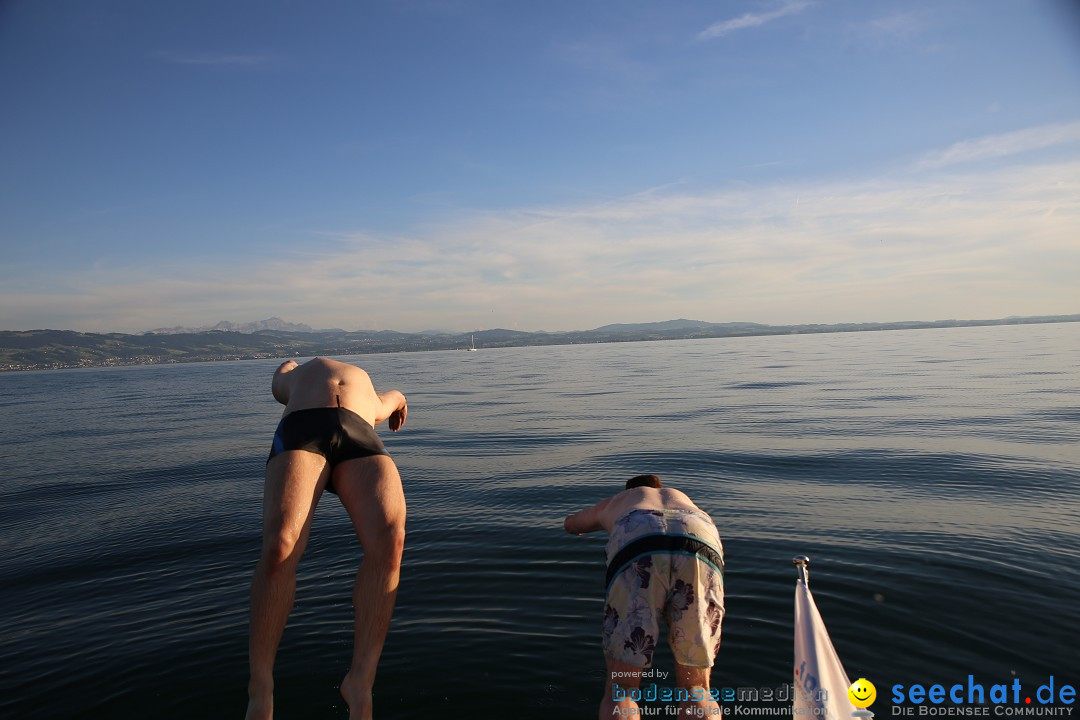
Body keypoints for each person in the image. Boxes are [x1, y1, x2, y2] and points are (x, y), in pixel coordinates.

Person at [245, 357, 408, 720]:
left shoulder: (365, 386)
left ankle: (360, 683)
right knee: (281, 544)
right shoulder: (297, 374)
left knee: (391, 537)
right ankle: (261, 687)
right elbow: (279, 385)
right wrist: (288, 366)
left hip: (359, 432)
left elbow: (388, 401)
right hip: (304, 429)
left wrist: (399, 400)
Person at [564, 474, 725, 719]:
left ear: (630, 490)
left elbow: (572, 524)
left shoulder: (619, 500)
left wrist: (586, 524)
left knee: (622, 690)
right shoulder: (682, 498)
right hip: (697, 534)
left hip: (639, 534)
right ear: (659, 488)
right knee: (696, 689)